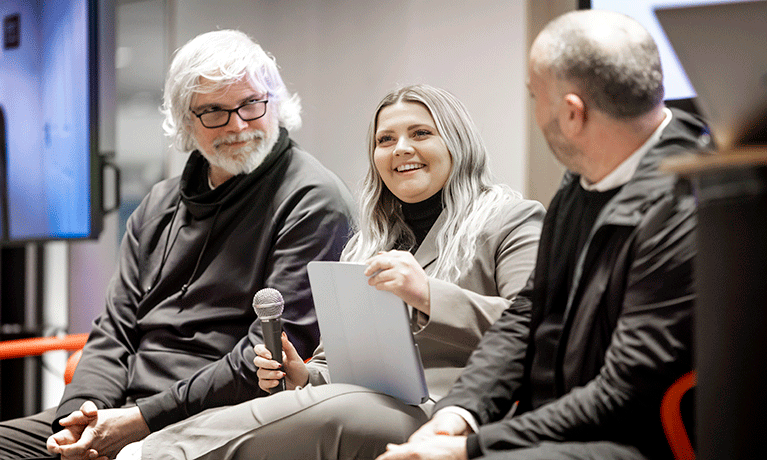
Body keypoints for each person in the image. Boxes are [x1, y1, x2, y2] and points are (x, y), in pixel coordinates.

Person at [116, 84, 546, 460]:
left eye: (420, 133)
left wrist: (429, 295)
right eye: (385, 139)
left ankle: (144, 454)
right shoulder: (368, 242)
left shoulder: (511, 220)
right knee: (323, 405)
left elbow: (535, 328)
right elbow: (335, 362)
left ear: (458, 143)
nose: (400, 148)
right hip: (367, 400)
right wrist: (302, 374)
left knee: (338, 410)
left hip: (452, 413)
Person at [0, 29, 354, 460]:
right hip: (123, 410)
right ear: (187, 122)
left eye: (250, 104)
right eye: (214, 112)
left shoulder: (313, 199)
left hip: (221, 418)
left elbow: (271, 352)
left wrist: (139, 421)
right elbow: (114, 329)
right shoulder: (160, 203)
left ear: (274, 102)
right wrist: (79, 416)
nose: (238, 125)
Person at [378, 10, 707, 460]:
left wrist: (468, 449)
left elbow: (624, 394)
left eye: (535, 96)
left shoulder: (687, 203)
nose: (533, 111)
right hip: (557, 426)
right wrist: (457, 415)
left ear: (572, 113)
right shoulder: (580, 183)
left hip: (634, 440)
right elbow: (526, 318)